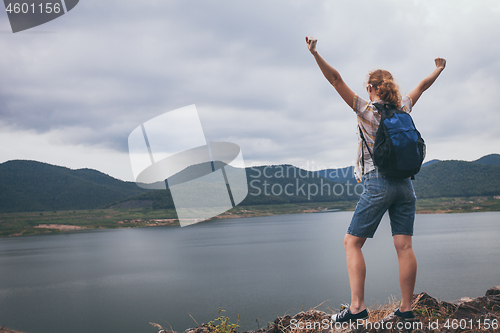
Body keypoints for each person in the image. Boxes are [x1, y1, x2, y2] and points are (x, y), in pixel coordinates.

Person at [305, 36, 446, 323]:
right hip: (406, 186)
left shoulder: (366, 111)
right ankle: (406, 311)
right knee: (404, 246)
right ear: (392, 88)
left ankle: (357, 308)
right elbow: (422, 86)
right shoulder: (404, 107)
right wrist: (438, 69)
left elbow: (335, 79)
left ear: (371, 89)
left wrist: (315, 53)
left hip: (377, 184)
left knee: (352, 243)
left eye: (367, 88)